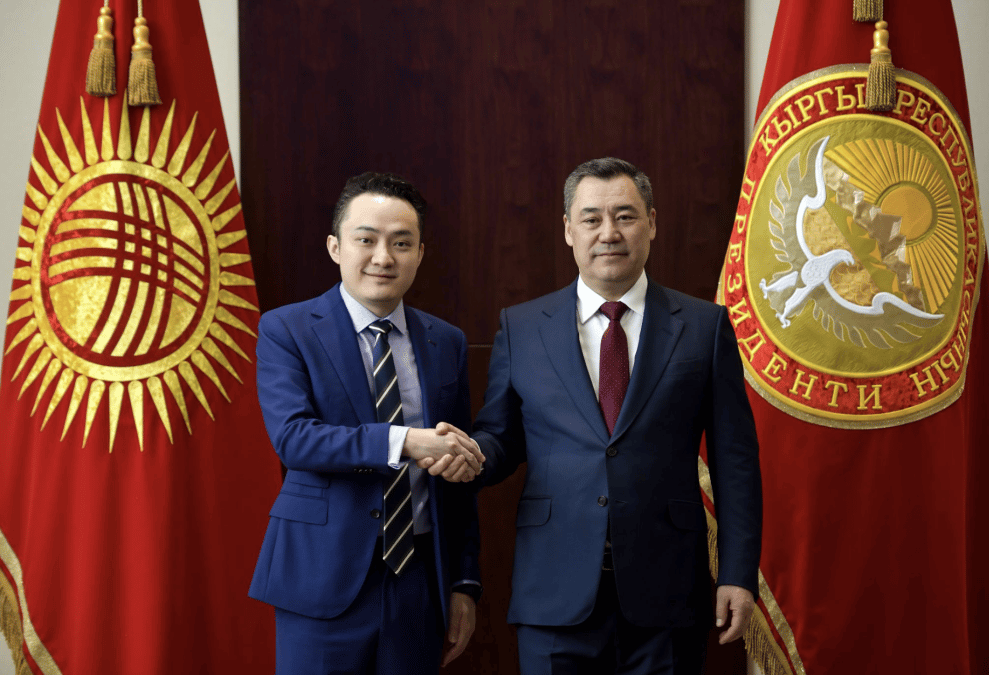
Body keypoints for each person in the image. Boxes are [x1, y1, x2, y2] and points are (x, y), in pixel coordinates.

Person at [462, 157, 761, 674]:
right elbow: (501, 438)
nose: (609, 233)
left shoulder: (704, 326)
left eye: (625, 216)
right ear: (568, 230)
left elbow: (736, 464)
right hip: (554, 591)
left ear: (652, 223)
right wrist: (467, 455)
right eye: (591, 219)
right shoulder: (523, 327)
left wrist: (737, 573)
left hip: (668, 592)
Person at [249, 172, 483, 675]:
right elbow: (294, 439)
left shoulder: (446, 342)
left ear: (420, 253)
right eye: (366, 240)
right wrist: (404, 441)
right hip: (321, 576)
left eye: (401, 243)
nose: (383, 257)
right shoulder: (286, 329)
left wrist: (464, 583)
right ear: (335, 247)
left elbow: (456, 476)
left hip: (418, 580)